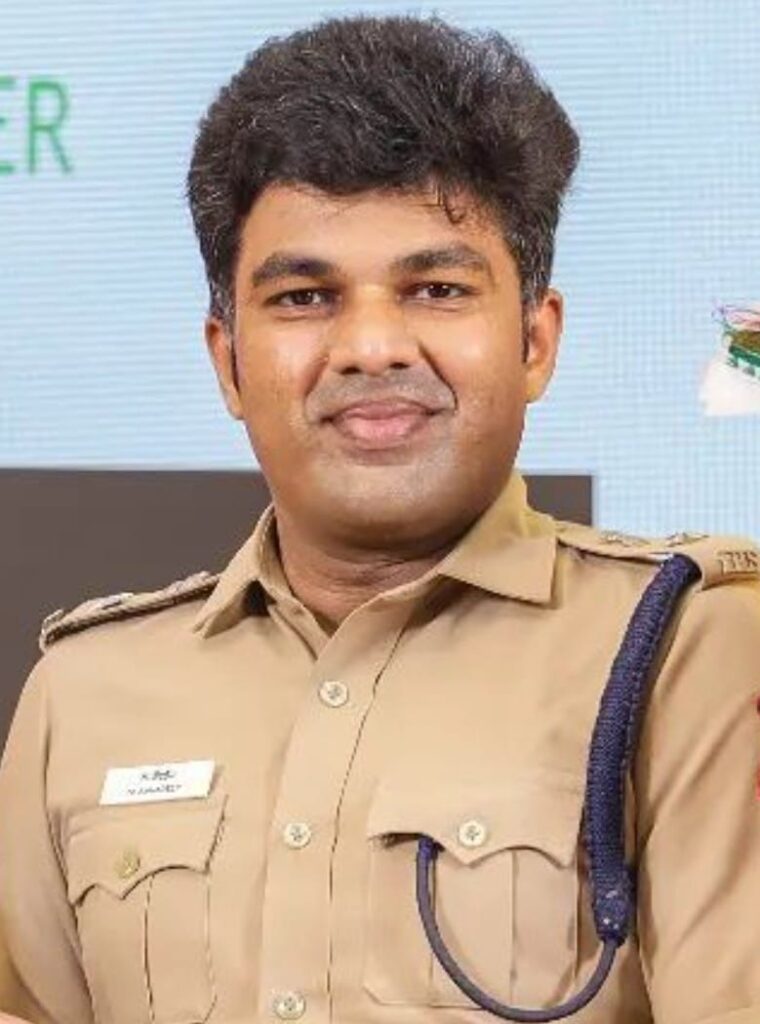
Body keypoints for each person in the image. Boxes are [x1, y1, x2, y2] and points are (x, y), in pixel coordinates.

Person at [1, 13, 759, 1024]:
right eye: (304, 297)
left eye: (436, 288)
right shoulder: (85, 691)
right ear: (229, 361)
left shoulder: (687, 650)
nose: (369, 345)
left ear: (535, 342)